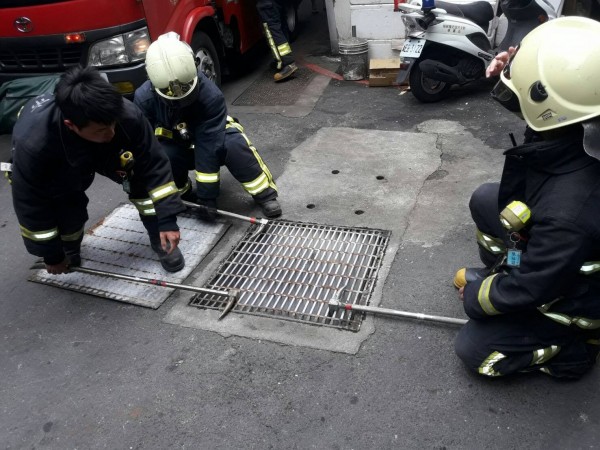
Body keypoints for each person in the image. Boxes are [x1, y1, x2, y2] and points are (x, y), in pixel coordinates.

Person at [452, 16, 600, 379]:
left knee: (475, 350)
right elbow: (548, 106)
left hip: (576, 296)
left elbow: (537, 284)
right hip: (556, 249)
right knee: (486, 201)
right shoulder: (578, 128)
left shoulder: (572, 210)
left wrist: (479, 299)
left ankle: (571, 352)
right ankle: (502, 274)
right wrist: (519, 69)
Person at [10, 66, 186, 274]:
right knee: (68, 206)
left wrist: (167, 220)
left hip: (106, 153)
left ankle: (159, 236)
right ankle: (69, 249)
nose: (111, 133)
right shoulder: (35, 145)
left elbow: (155, 163)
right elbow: (31, 205)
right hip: (62, 161)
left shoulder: (125, 115)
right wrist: (52, 256)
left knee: (141, 177)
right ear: (71, 125)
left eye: (113, 124)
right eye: (102, 129)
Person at [133, 32, 282, 220]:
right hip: (177, 143)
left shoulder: (210, 95)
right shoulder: (144, 99)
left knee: (234, 145)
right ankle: (183, 194)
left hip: (212, 137)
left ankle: (265, 194)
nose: (182, 101)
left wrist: (207, 198)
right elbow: (145, 147)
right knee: (162, 153)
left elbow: (209, 146)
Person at [256, 0, 298, 82]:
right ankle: (282, 60)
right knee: (281, 27)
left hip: (267, 3)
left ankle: (288, 63)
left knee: (272, 32)